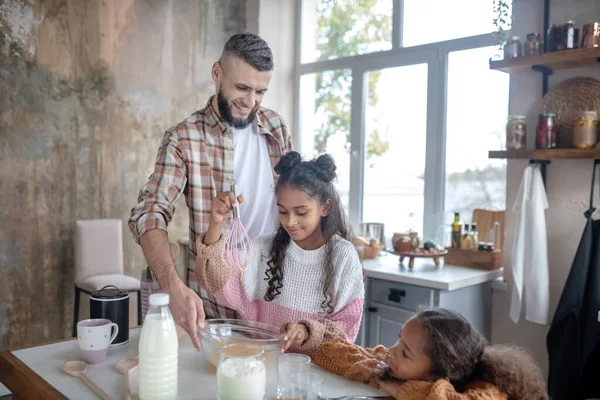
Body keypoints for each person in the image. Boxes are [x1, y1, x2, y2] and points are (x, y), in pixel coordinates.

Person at [129, 32, 292, 351]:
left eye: (260, 91)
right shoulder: (184, 139)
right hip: (215, 308)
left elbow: (300, 200)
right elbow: (148, 214)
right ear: (217, 73)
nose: (251, 101)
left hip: (274, 301)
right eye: (241, 88)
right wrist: (172, 286)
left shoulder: (276, 128)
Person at [195, 151, 364, 354]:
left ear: (325, 207)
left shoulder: (343, 256)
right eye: (282, 211)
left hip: (315, 373)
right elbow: (216, 280)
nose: (290, 221)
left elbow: (347, 326)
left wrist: (307, 331)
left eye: (301, 212)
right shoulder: (263, 248)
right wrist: (216, 225)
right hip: (263, 363)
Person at [313, 308, 548, 400]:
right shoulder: (395, 365)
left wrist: (400, 389)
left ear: (438, 374)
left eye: (405, 353)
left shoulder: (490, 391)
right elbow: (332, 352)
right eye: (399, 340)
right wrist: (310, 334)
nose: (393, 351)